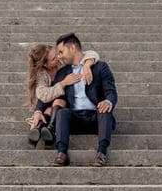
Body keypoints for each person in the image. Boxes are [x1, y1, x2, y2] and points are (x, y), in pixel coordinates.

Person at [49, 33, 118, 167]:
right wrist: (38, 111)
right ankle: (62, 154)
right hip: (74, 118)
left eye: (61, 51)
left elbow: (111, 93)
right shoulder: (63, 73)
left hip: (96, 117)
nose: (59, 56)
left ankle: (101, 153)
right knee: (62, 113)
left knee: (104, 108)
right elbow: (51, 93)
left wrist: (108, 101)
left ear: (73, 48)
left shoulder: (99, 67)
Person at [25, 43, 100, 148]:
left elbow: (91, 53)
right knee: (50, 106)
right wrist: (63, 83)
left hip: (69, 97)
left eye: (56, 54)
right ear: (45, 65)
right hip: (52, 101)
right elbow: (43, 96)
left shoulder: (63, 60)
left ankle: (44, 128)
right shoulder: (41, 74)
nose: (58, 57)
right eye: (53, 58)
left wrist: (87, 65)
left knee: (58, 102)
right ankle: (43, 130)